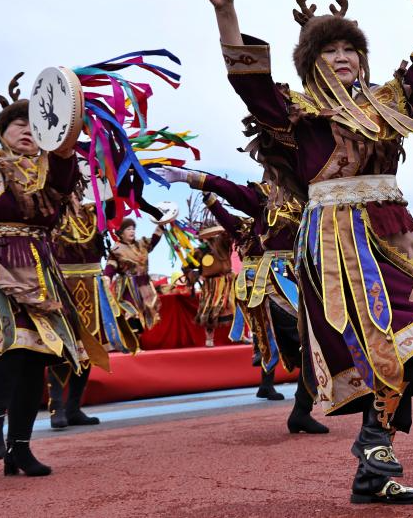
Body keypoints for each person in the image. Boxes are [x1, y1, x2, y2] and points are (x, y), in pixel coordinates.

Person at [194, 0, 413, 504]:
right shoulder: (296, 111)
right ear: (312, 63)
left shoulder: (389, 103)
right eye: (329, 50)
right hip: (338, 242)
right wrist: (226, 13)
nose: (341, 57)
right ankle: (376, 455)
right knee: (380, 341)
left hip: (396, 236)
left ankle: (373, 461)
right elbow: (249, 83)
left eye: (349, 49)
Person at [0, 33, 106, 476]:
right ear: (1, 134)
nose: (28, 130)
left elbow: (64, 163)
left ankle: (21, 449)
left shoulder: (53, 173)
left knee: (37, 356)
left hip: (40, 266)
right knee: (6, 342)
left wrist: (67, 124)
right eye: (18, 125)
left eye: (35, 125)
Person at [156, 165, 329, 434]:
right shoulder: (262, 202)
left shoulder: (304, 200)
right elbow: (231, 197)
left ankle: (298, 407)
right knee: (307, 343)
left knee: (311, 345)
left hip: (298, 282)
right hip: (272, 285)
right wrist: (194, 180)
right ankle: (292, 402)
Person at [48, 187, 139, 429]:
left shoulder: (93, 213)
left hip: (92, 287)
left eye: (77, 191)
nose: (75, 196)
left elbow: (111, 209)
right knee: (62, 348)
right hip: (63, 286)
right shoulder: (52, 213)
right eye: (71, 191)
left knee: (88, 348)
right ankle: (56, 407)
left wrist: (108, 183)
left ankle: (73, 408)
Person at [105, 219, 163, 333]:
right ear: (121, 233)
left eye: (133, 229)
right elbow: (111, 266)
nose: (132, 231)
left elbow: (154, 240)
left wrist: (161, 225)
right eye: (128, 229)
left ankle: (139, 338)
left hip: (144, 284)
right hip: (128, 286)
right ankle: (133, 339)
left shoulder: (142, 244)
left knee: (146, 312)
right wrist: (107, 277)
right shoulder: (116, 250)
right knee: (131, 312)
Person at [193, 220, 236, 346]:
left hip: (226, 282)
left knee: (234, 308)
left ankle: (239, 335)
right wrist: (197, 274)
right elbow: (189, 265)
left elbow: (230, 236)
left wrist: (222, 229)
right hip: (210, 286)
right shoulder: (199, 250)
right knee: (209, 311)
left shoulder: (223, 242)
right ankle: (209, 339)